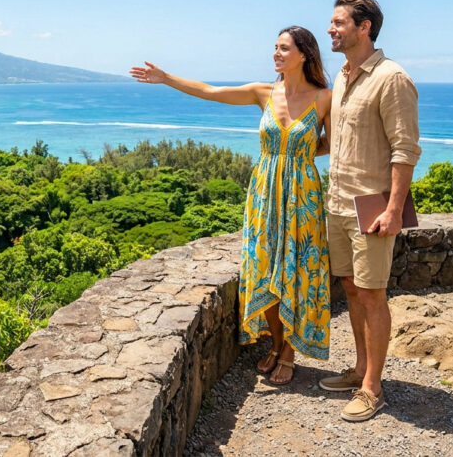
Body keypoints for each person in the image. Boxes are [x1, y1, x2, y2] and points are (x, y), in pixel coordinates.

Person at [130, 26, 332, 386]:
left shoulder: (325, 98)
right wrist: (166, 79)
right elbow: (210, 91)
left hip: (302, 195)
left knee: (297, 269)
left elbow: (333, 141)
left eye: (284, 48)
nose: (276, 54)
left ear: (304, 54)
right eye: (275, 47)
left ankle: (288, 352)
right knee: (264, 265)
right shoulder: (262, 92)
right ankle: (278, 341)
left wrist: (296, 157)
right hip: (264, 191)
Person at [318, 0, 421, 422]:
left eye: (339, 22)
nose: (330, 29)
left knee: (374, 295)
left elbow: (405, 149)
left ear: (365, 28)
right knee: (351, 289)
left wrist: (395, 209)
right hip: (337, 204)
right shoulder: (342, 77)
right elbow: (337, 142)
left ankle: (373, 388)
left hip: (372, 207)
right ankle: (360, 369)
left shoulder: (391, 77)